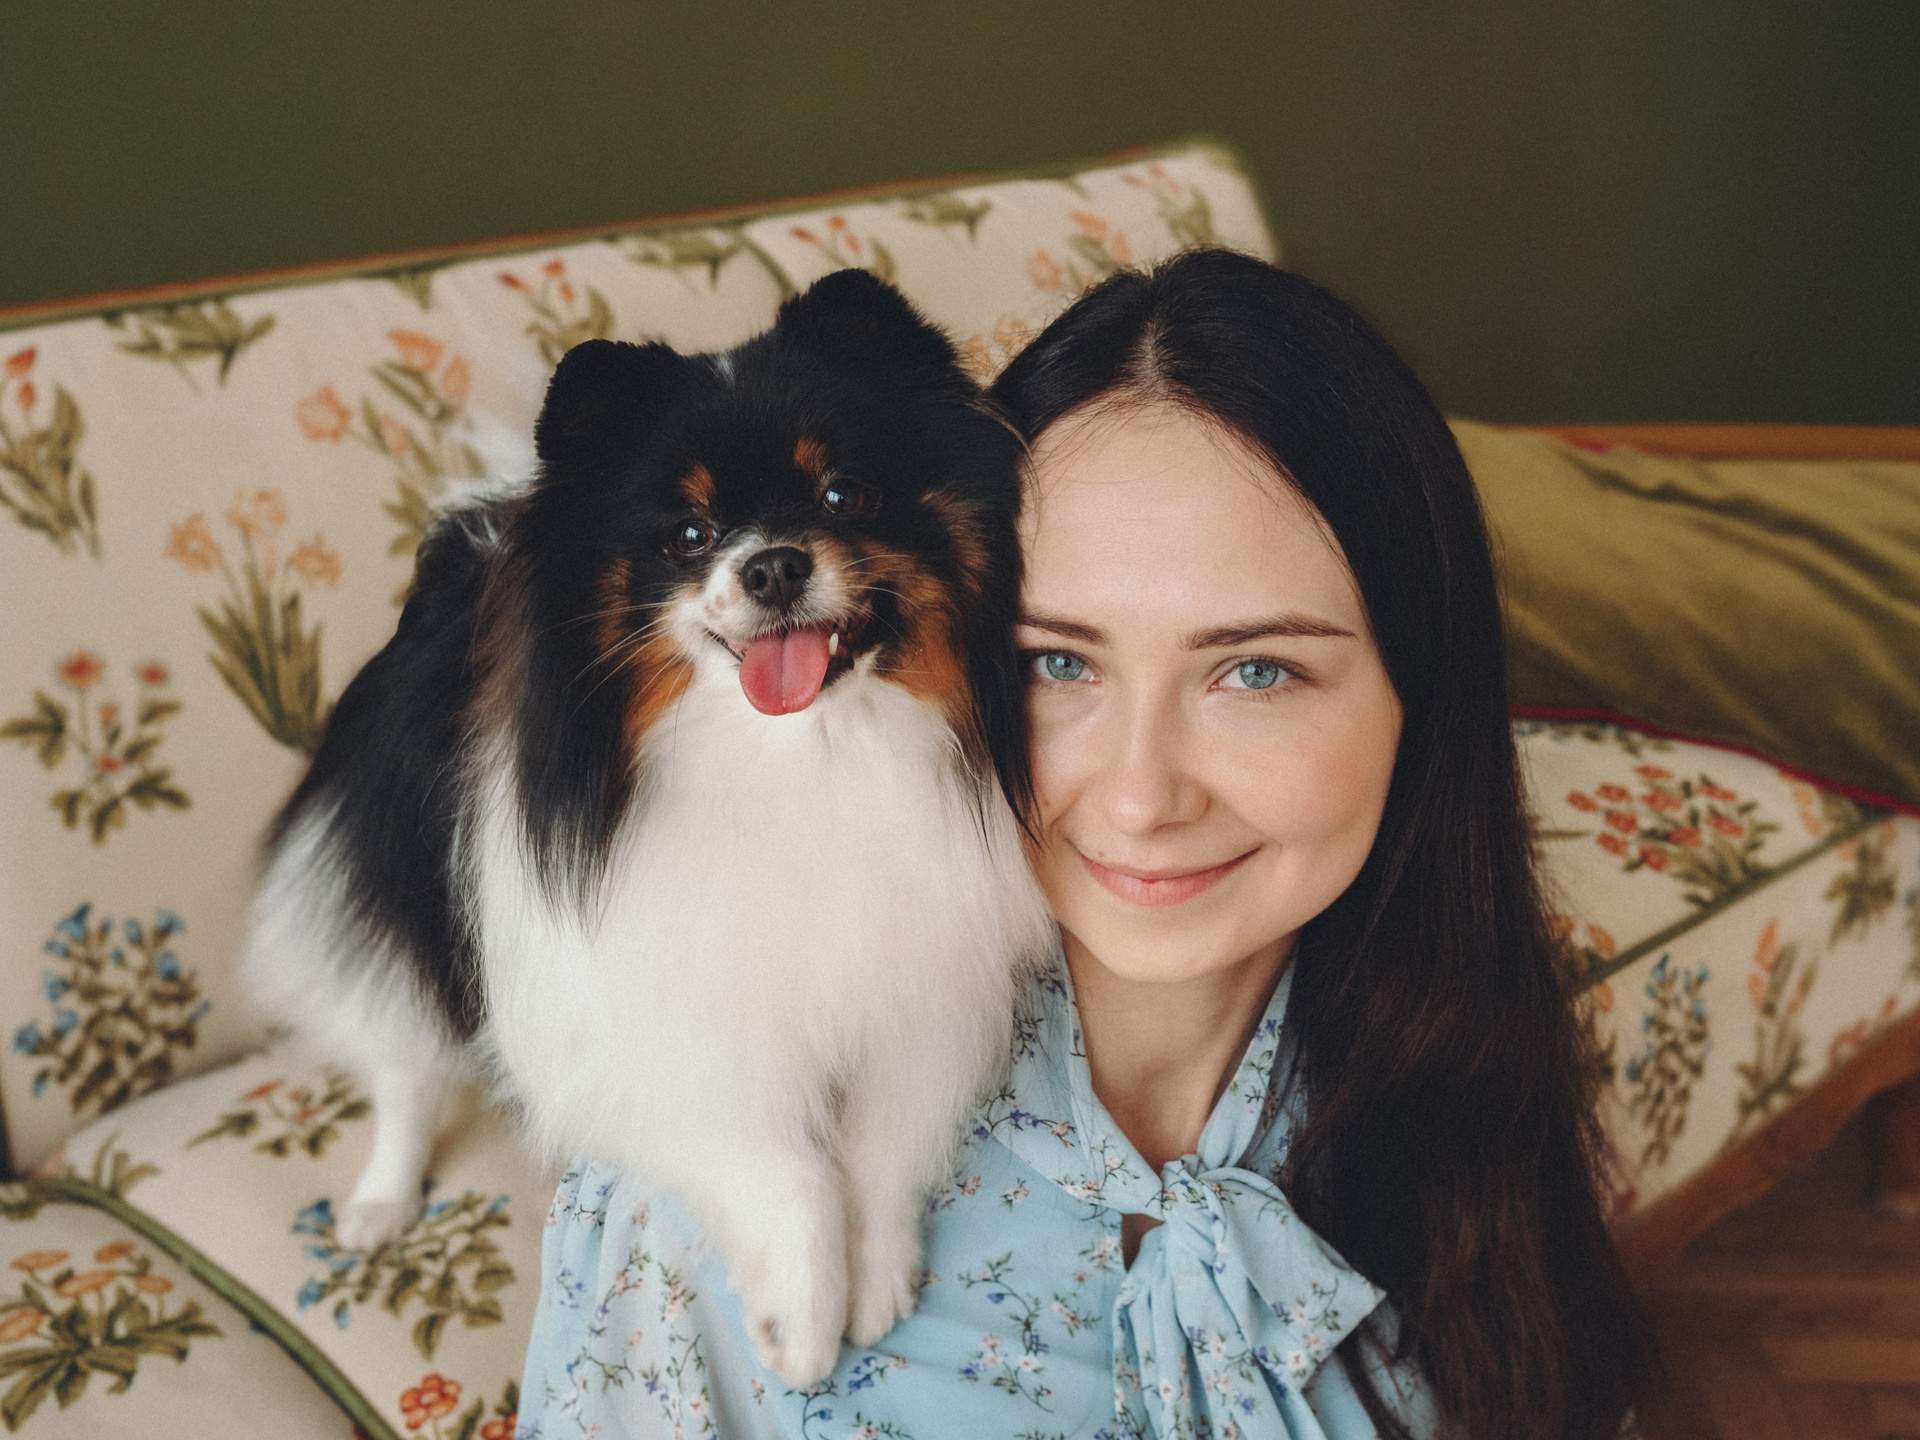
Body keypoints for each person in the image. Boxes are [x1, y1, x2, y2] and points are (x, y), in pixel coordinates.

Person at [516, 250, 1655, 1440]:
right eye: (1057, 662)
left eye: (1256, 671)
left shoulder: (1473, 1077)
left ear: (1422, 688)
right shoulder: (702, 1190)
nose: (1140, 795)